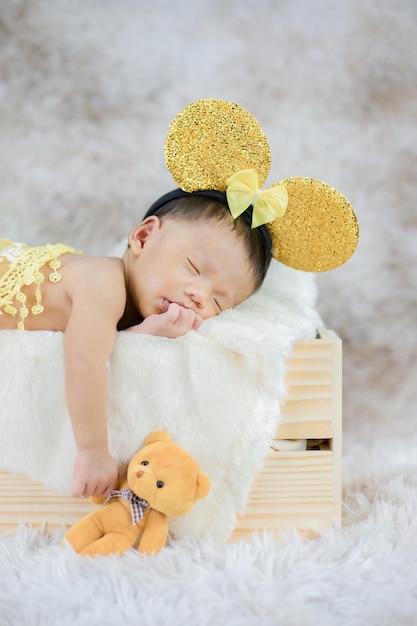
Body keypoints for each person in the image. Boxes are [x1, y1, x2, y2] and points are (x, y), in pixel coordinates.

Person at [0, 190, 273, 499]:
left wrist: (145, 332)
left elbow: (113, 345)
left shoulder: (123, 304)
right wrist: (92, 452)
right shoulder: (103, 282)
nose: (199, 295)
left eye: (217, 301)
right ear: (143, 237)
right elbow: (84, 361)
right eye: (194, 268)